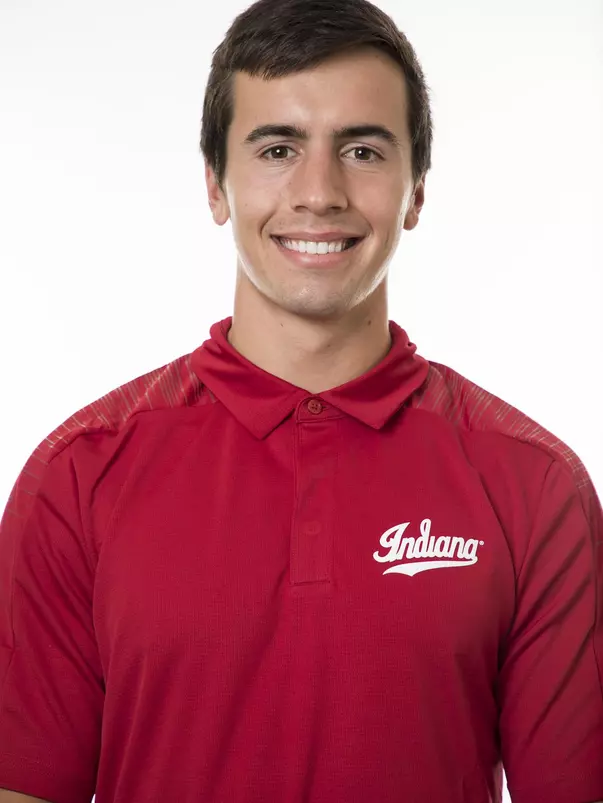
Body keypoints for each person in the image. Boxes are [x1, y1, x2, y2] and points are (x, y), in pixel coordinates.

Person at [0, 0, 602, 801]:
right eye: (277, 148)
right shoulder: (77, 477)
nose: (318, 192)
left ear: (416, 191)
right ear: (216, 185)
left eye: (361, 148)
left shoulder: (535, 486)